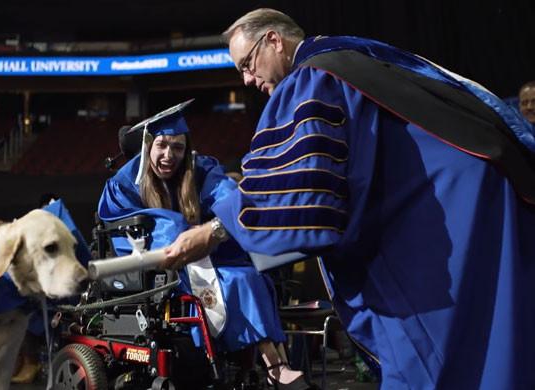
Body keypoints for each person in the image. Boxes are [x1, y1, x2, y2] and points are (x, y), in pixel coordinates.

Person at [161, 8, 535, 390]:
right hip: (486, 192)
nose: (246, 79)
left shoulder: (311, 78)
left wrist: (212, 230)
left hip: (448, 213)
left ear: (273, 40)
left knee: (436, 358)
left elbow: (297, 190)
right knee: (502, 335)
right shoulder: (354, 58)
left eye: (247, 63)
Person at [98, 101, 304, 388]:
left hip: (201, 261)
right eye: (162, 145)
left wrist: (217, 226)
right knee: (237, 280)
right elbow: (128, 226)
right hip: (164, 269)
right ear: (148, 145)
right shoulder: (125, 183)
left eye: (178, 148)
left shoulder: (199, 169)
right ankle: (275, 365)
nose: (169, 155)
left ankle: (271, 361)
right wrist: (185, 233)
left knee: (252, 273)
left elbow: (228, 196)